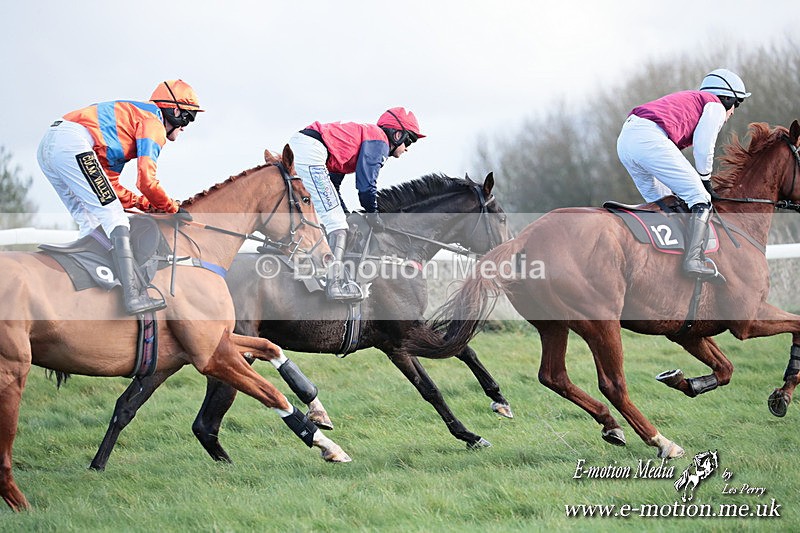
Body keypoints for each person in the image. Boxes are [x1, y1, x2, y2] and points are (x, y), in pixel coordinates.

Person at [37, 79, 203, 314]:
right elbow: (146, 181)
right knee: (114, 216)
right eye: (190, 117)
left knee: (91, 219)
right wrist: (171, 208)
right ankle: (133, 295)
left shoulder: (127, 126)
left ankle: (90, 289)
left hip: (52, 146)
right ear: (175, 111)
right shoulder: (153, 124)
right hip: (71, 143)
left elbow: (111, 187)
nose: (186, 126)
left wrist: (146, 205)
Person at [616, 68, 750, 281]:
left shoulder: (695, 101)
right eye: (737, 103)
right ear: (726, 98)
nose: (733, 112)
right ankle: (693, 260)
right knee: (700, 199)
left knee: (666, 203)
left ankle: (665, 261)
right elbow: (704, 148)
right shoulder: (714, 105)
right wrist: (705, 180)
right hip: (648, 137)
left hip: (625, 141)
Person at [288, 107, 425, 301]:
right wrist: (374, 215)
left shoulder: (363, 138)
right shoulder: (379, 142)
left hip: (305, 146)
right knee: (337, 223)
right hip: (310, 150)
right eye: (409, 140)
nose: (408, 148)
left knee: (333, 216)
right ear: (397, 134)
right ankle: (333, 283)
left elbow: (333, 185)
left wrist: (344, 212)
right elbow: (366, 187)